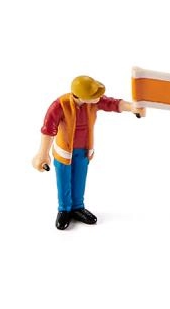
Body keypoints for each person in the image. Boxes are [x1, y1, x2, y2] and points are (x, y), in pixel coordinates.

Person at [31, 76, 144, 230]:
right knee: (64, 181)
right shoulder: (59, 105)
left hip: (83, 151)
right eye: (94, 95)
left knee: (79, 179)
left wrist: (132, 107)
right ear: (81, 96)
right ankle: (64, 209)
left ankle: (78, 207)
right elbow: (48, 130)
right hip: (64, 152)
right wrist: (43, 154)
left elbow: (112, 103)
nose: (99, 97)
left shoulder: (93, 103)